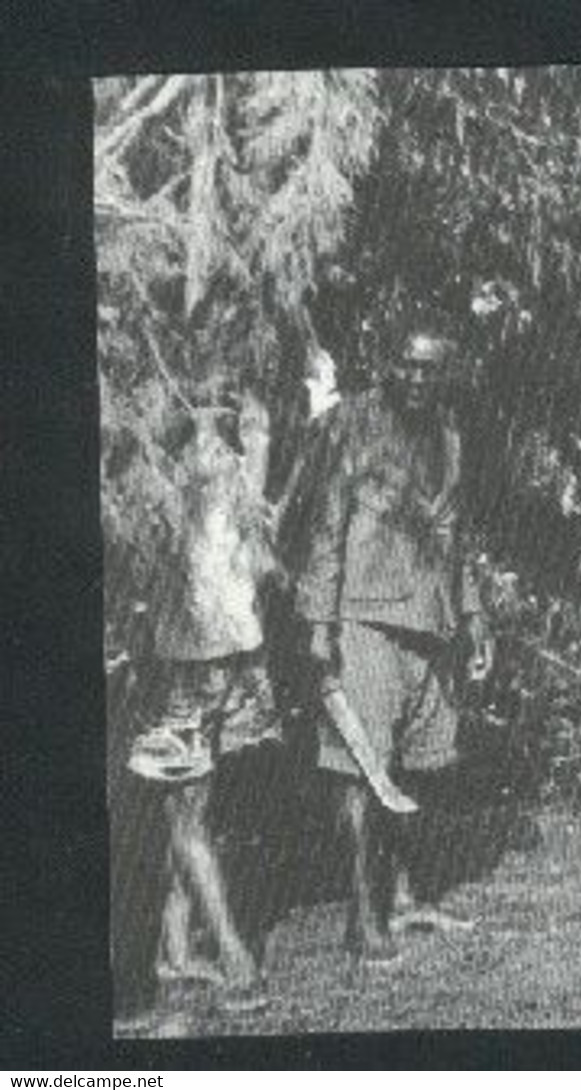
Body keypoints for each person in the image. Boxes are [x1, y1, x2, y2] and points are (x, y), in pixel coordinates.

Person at [294, 319, 492, 966]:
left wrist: (473, 615)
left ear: (446, 373)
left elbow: (455, 536)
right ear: (387, 363)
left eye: (427, 367)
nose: (414, 377)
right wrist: (319, 626)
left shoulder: (451, 434)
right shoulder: (351, 424)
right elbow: (324, 528)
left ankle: (407, 899)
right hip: (363, 619)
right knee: (358, 767)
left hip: (428, 621)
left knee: (419, 762)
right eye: (405, 363)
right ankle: (361, 915)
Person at [125, 395, 281, 1012]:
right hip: (186, 662)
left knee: (187, 805)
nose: (219, 441)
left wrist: (235, 424)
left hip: (224, 658)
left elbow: (257, 439)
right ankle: (231, 952)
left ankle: (178, 951)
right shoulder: (160, 474)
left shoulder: (233, 471)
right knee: (187, 809)